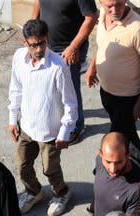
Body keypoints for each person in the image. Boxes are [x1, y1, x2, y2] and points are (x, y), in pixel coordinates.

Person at [8, 19, 76, 216]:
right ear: (25, 42)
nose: (39, 49)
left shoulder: (58, 66)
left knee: (51, 169)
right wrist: (13, 119)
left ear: (47, 39)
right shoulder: (19, 58)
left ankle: (61, 192)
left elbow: (70, 103)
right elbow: (16, 89)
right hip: (27, 127)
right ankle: (34, 192)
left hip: (50, 131)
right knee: (21, 165)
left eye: (42, 43)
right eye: (34, 44)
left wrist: (65, 131)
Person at [86, 0, 140, 169]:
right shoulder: (104, 14)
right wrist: (92, 68)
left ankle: (113, 165)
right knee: (126, 130)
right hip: (106, 90)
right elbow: (102, 44)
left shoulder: (138, 28)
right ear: (100, 3)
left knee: (118, 133)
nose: (114, 10)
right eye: (109, 5)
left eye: (118, 4)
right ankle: (139, 159)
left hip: (127, 97)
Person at [31, 0, 98, 143]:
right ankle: (64, 115)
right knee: (50, 85)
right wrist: (32, 31)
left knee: (70, 90)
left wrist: (74, 47)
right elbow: (38, 3)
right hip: (45, 45)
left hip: (67, 49)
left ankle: (76, 127)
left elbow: (91, 17)